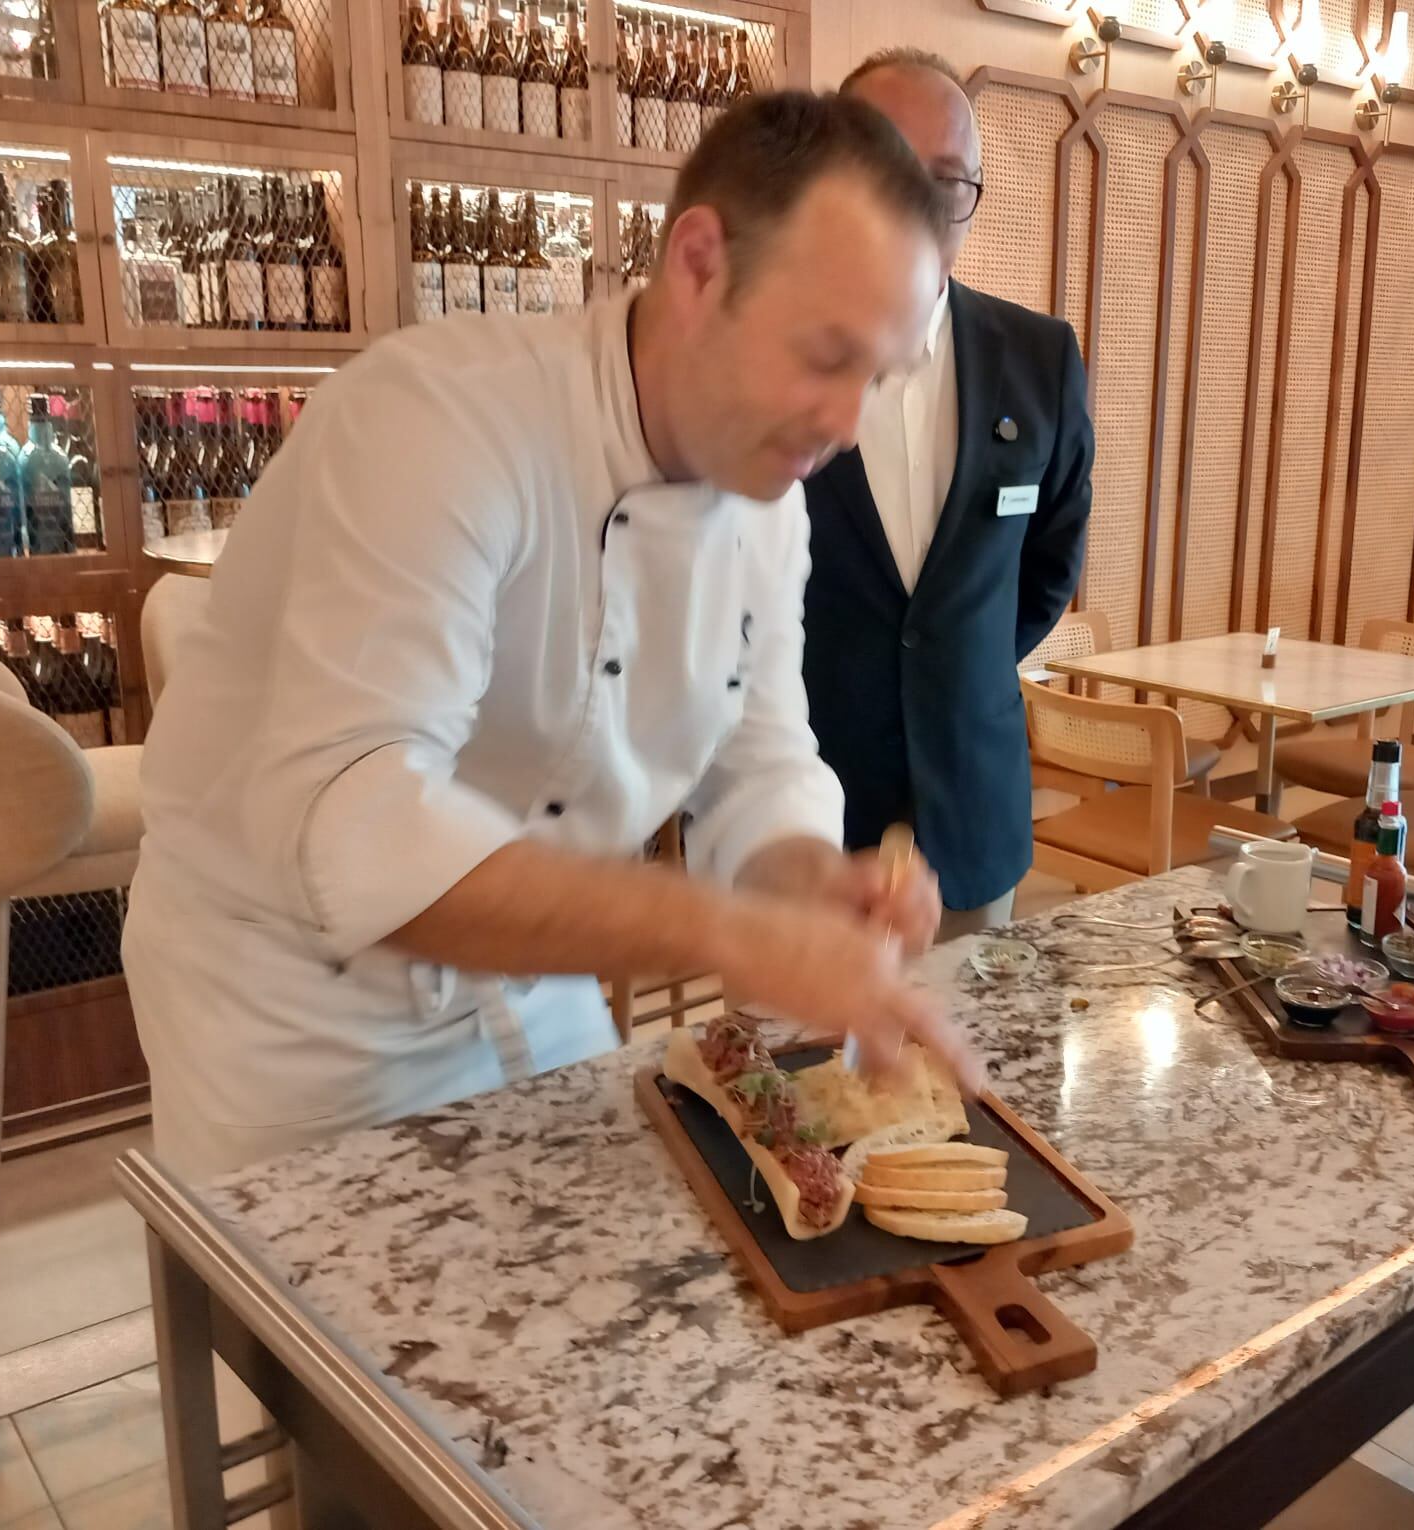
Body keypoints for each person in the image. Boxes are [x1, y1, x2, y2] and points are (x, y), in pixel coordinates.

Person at [123, 92, 981, 1178]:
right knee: (342, 1346)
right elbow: (359, 820)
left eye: (881, 375)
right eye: (826, 355)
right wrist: (722, 932)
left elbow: (758, 756)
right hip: (295, 1008)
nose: (848, 423)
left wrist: (813, 884)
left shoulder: (768, 496)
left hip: (540, 981)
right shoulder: (438, 422)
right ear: (701, 262)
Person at [801, 49, 1095, 940]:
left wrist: (951, 668)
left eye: (949, 180)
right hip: (798, 810)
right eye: (892, 168)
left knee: (969, 1070)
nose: (923, 205)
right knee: (787, 1073)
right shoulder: (765, 355)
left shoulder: (1039, 359)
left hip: (971, 808)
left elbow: (1051, 563)